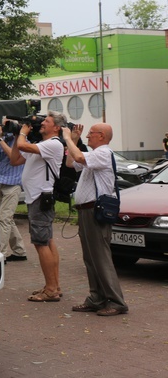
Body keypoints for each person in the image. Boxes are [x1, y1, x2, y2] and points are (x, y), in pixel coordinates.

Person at [62, 123, 128, 316]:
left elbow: (80, 157)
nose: (88, 136)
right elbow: (70, 163)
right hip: (87, 211)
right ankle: (96, 298)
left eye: (90, 134)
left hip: (95, 211)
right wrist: (74, 140)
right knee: (90, 258)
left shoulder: (103, 153)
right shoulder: (94, 156)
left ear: (101, 136)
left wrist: (67, 138)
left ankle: (116, 301)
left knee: (100, 257)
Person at [8, 111, 66, 302]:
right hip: (38, 198)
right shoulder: (41, 146)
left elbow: (23, 145)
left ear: (56, 127)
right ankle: (54, 285)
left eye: (46, 122)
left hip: (40, 198)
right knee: (47, 241)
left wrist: (23, 133)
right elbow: (15, 159)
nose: (42, 124)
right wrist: (17, 134)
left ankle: (50, 289)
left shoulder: (53, 144)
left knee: (41, 243)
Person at [0, 121, 27, 262]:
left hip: (13, 184)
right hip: (0, 182)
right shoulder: (5, 139)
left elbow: (12, 156)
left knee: (5, 219)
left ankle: (1, 254)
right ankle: (19, 251)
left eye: (8, 125)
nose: (6, 128)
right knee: (6, 219)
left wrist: (0, 140)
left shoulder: (23, 141)